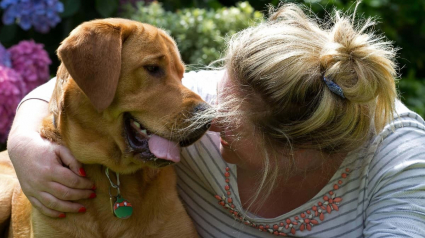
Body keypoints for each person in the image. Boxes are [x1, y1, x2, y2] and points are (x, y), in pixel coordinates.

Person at [7, 3, 425, 237]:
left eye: (227, 118)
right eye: (216, 97)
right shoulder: (197, 103)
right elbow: (73, 81)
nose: (206, 120)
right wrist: (24, 137)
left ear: (294, 148)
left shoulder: (401, 163)